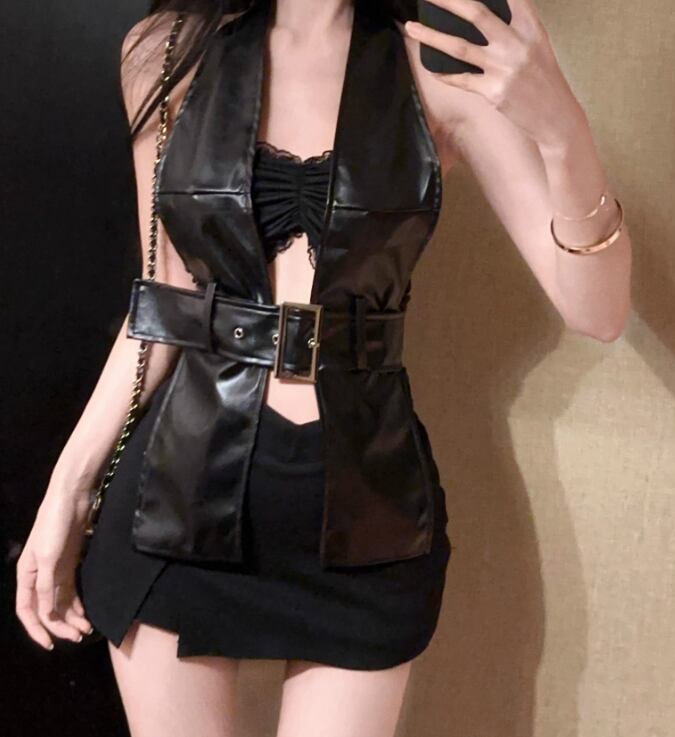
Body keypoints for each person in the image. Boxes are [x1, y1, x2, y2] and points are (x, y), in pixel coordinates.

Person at [15, 0, 632, 735]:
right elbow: (168, 297)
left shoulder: (439, 69)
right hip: (173, 503)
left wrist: (562, 128)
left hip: (365, 516)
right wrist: (67, 492)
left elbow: (597, 311)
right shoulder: (165, 49)